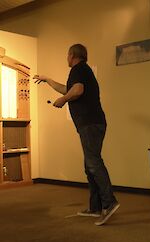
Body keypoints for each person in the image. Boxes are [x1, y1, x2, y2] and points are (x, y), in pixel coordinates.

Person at [33, 44, 119, 226]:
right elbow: (69, 89)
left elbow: (76, 91)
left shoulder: (78, 69)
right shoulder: (83, 71)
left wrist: (63, 101)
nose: (67, 58)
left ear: (72, 55)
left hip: (90, 124)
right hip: (92, 124)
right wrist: (48, 80)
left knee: (94, 163)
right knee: (90, 165)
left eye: (67, 55)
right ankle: (96, 207)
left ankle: (109, 203)